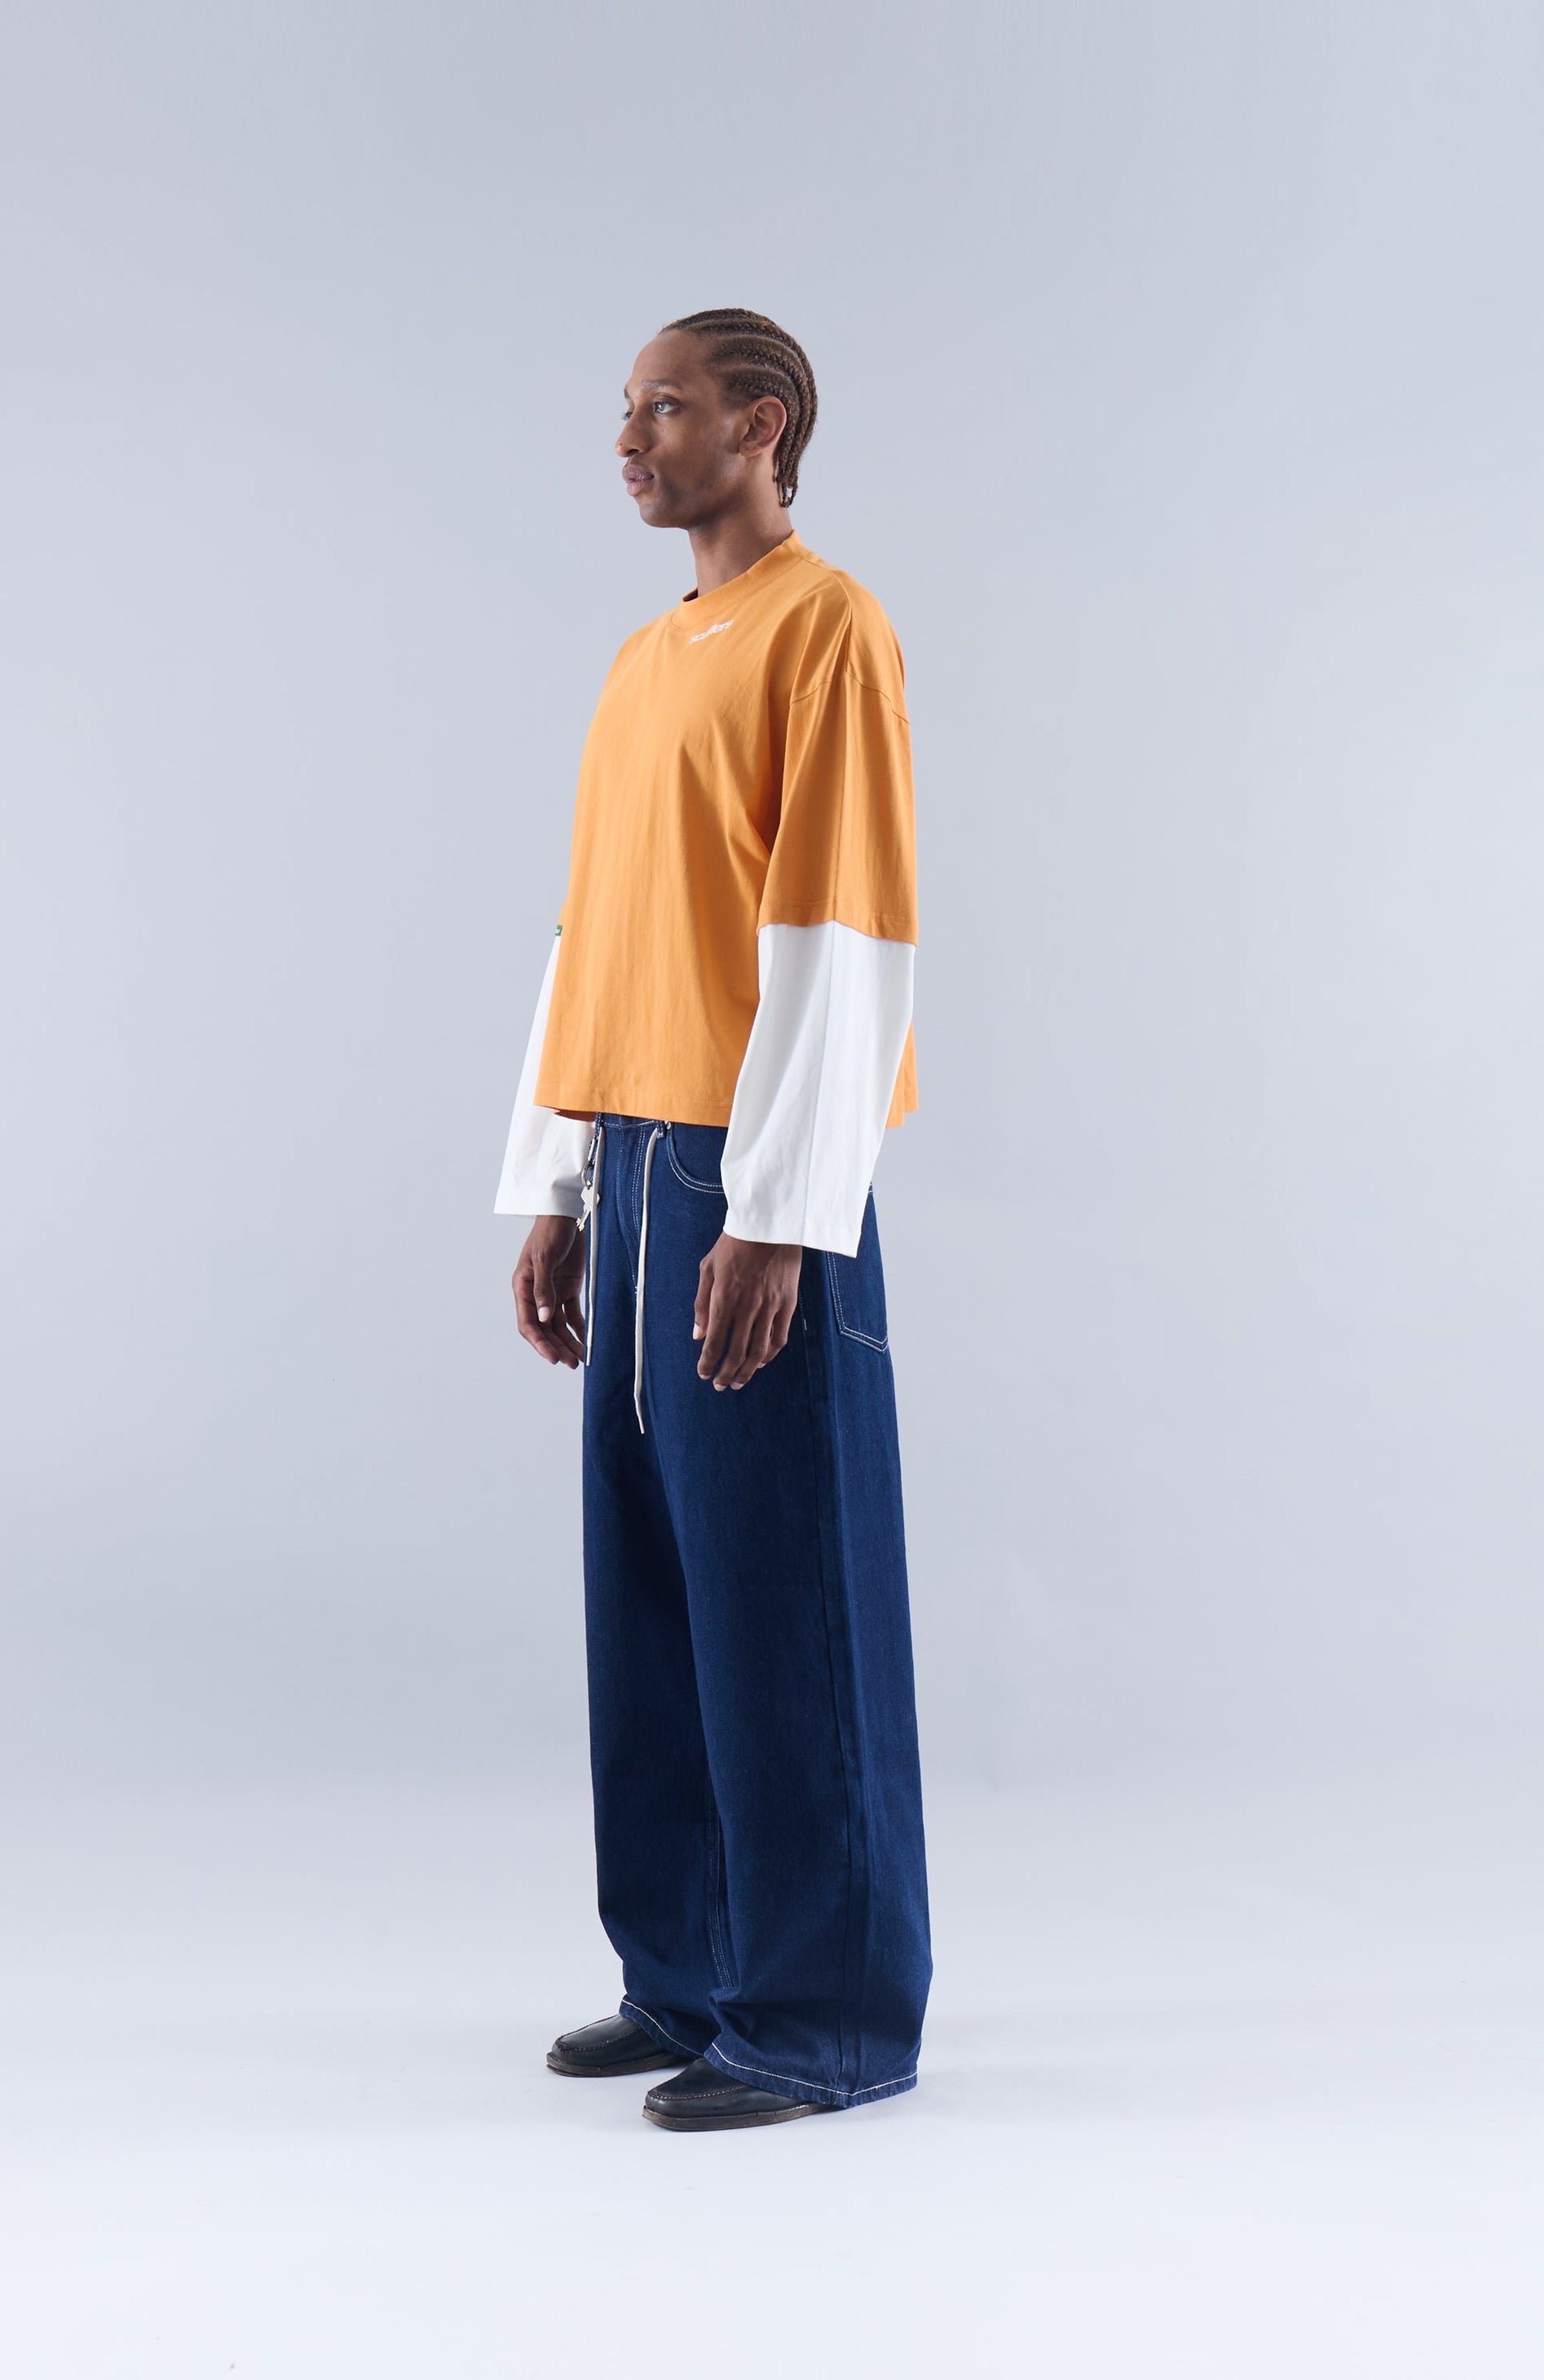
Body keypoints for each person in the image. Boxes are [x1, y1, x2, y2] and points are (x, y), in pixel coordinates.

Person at [495, 308, 930, 2131]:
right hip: (636, 1150)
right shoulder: (640, 660)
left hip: (747, 1167)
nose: (630, 437)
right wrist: (554, 1177)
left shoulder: (827, 627)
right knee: (656, 1586)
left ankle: (825, 2014)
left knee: (783, 1578)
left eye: (664, 407)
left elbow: (840, 921)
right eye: (624, 410)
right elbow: (596, 924)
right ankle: (681, 1970)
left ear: (761, 425)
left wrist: (782, 1212)